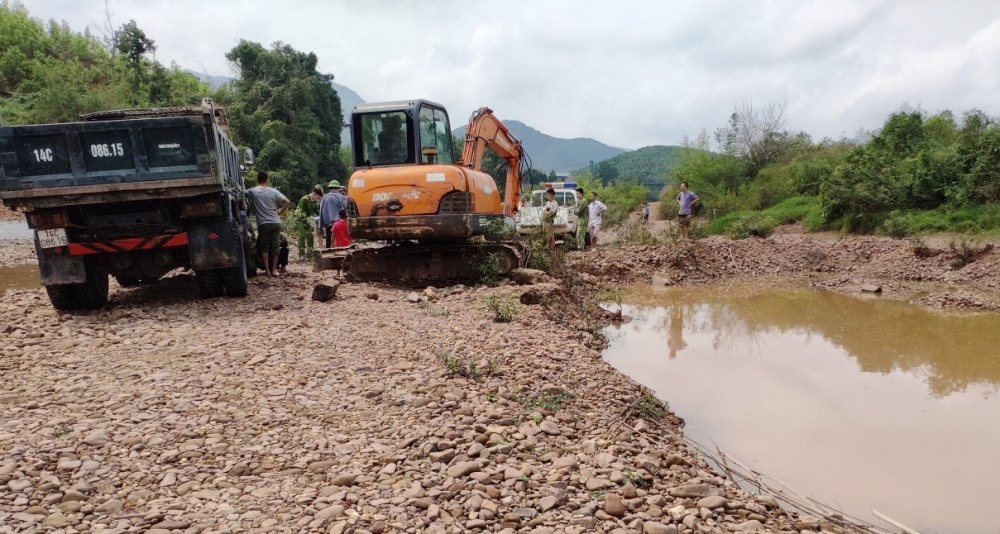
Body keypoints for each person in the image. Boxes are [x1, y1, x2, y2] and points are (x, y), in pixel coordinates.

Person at [246, 171, 290, 276]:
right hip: (275, 222)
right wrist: (280, 211)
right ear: (267, 180)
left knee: (264, 248)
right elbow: (287, 201)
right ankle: (274, 270)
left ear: (257, 180)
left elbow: (242, 192)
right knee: (275, 247)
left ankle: (267, 270)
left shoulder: (253, 191)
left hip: (263, 224)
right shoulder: (273, 191)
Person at [294, 185, 323, 259]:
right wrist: (305, 217)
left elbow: (316, 211)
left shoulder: (314, 202)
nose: (318, 199)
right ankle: (302, 254)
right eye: (318, 198)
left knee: (310, 236)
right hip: (301, 220)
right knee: (302, 236)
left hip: (308, 220)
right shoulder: (305, 199)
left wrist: (322, 215)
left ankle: (310, 254)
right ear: (315, 194)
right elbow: (300, 210)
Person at [319, 180, 348, 248]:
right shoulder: (342, 197)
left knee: (329, 240)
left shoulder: (324, 198)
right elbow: (346, 210)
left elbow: (321, 212)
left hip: (328, 224)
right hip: (339, 223)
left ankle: (328, 255)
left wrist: (320, 226)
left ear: (330, 188)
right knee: (340, 240)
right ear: (338, 188)